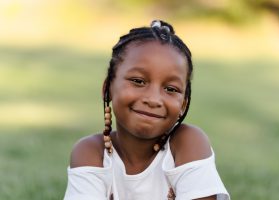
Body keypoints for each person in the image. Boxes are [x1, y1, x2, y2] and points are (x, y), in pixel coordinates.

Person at [63, 20, 230, 200]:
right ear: (108, 88)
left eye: (171, 89)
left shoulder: (187, 144)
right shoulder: (91, 152)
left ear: (183, 104)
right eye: (138, 81)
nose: (153, 99)